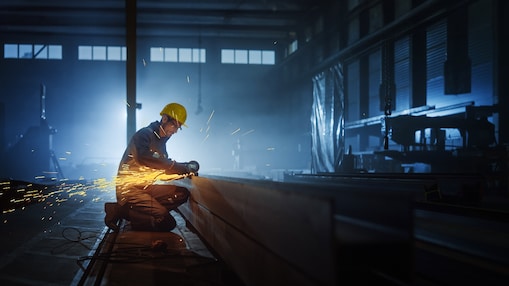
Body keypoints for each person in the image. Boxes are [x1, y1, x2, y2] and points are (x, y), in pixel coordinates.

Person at [104, 102, 199, 232]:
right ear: (164, 119)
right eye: (174, 125)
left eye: (178, 127)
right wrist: (178, 166)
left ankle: (142, 213)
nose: (175, 131)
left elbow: (163, 167)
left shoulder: (161, 144)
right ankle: (119, 210)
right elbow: (146, 158)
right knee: (167, 223)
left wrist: (185, 170)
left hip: (145, 188)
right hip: (130, 190)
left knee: (182, 193)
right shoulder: (144, 135)